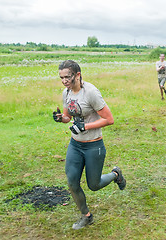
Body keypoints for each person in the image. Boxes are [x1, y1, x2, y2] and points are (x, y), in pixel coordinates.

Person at [53, 60, 126, 230]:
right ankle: (86, 216)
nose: (64, 81)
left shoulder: (91, 93)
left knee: (94, 185)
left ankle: (116, 174)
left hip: (94, 145)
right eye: (61, 78)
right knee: (72, 183)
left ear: (77, 75)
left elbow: (109, 119)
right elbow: (68, 118)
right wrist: (60, 118)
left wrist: (85, 126)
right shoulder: (67, 93)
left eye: (67, 77)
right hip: (75, 145)